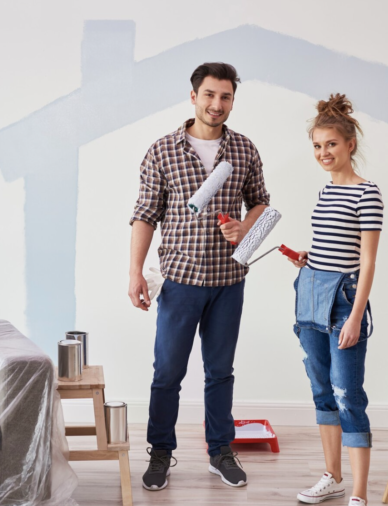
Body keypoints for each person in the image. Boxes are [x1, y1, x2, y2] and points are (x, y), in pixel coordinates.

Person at [128, 62, 270, 491]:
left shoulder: (244, 150)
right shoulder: (163, 150)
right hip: (180, 281)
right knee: (167, 372)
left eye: (225, 97)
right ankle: (160, 451)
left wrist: (246, 227)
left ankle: (220, 451)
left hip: (229, 281)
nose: (217, 104)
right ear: (194, 97)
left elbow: (262, 204)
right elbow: (145, 214)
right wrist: (135, 272)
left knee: (220, 371)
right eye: (210, 95)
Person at [288, 94, 383, 505]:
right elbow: (333, 246)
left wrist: (355, 317)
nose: (323, 153)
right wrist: (310, 259)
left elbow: (367, 262)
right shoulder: (326, 193)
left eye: (330, 144)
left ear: (350, 146)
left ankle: (359, 495)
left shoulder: (368, 194)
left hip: (345, 302)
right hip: (311, 292)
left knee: (348, 394)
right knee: (322, 391)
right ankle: (332, 476)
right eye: (317, 146)